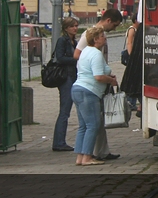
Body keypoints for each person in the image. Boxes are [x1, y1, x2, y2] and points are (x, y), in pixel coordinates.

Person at [74, 9, 122, 161]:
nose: (105, 39)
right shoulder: (94, 52)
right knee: (93, 125)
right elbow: (98, 76)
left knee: (84, 126)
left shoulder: (88, 51)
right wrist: (110, 80)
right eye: (102, 37)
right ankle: (88, 157)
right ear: (95, 39)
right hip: (89, 90)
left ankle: (80, 157)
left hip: (78, 88)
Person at [51, 17, 79, 152]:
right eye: (73, 26)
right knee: (64, 110)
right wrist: (75, 59)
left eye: (76, 26)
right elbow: (60, 58)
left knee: (67, 111)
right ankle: (58, 142)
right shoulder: (63, 40)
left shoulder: (75, 41)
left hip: (74, 76)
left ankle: (60, 141)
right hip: (65, 77)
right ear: (66, 28)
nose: (75, 28)